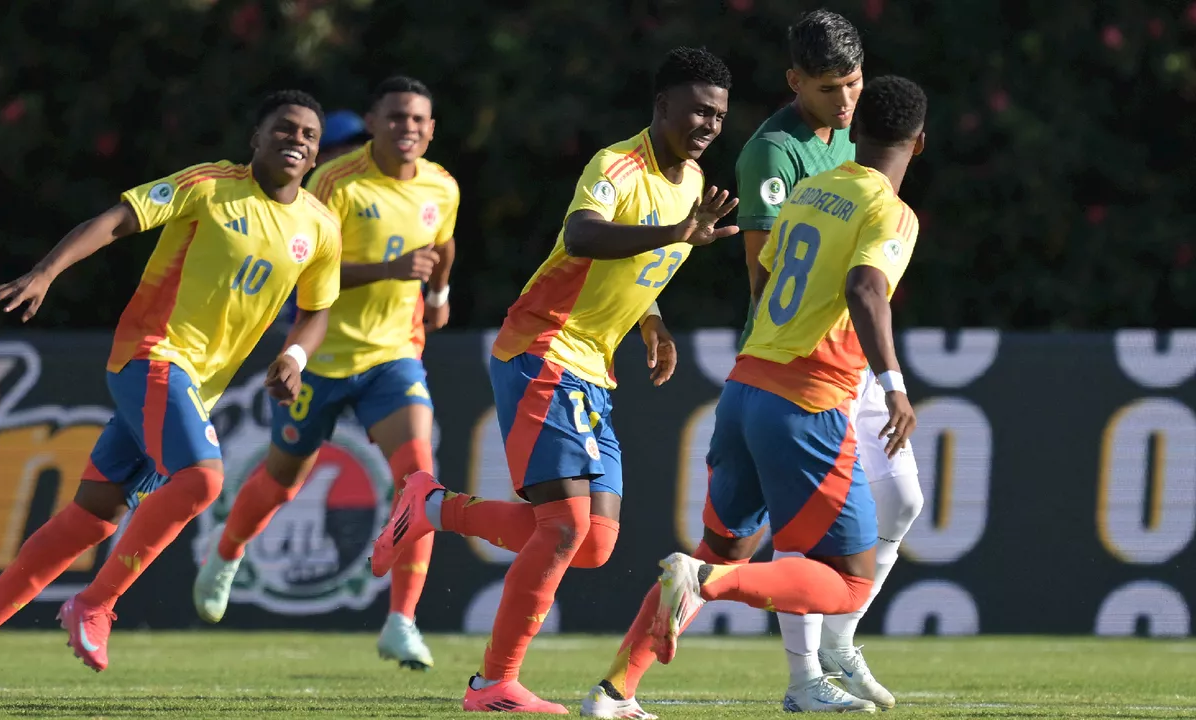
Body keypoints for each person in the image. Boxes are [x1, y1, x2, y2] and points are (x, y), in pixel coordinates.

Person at [0, 90, 343, 694]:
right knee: (202, 479)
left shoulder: (321, 226)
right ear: (255, 138)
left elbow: (317, 309)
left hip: (196, 388)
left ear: (314, 157)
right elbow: (118, 219)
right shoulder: (209, 185)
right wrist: (45, 272)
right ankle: (95, 604)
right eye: (283, 129)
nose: (295, 141)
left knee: (93, 519)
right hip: (149, 354)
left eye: (307, 136)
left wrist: (294, 355)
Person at [370, 47, 738, 713]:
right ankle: (491, 686)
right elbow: (584, 234)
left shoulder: (693, 182)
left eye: (719, 114)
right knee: (565, 529)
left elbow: (637, 271)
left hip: (591, 367)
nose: (709, 123)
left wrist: (650, 323)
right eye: (698, 110)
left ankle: (430, 507)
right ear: (662, 107)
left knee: (593, 543)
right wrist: (679, 231)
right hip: (543, 346)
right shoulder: (617, 165)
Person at [587, 75, 928, 718]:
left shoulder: (812, 191)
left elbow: (767, 274)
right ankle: (707, 587)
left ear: (855, 132)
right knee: (847, 580)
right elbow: (865, 289)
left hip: (744, 388)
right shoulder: (892, 211)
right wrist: (894, 386)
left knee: (722, 546)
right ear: (920, 143)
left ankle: (613, 693)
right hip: (806, 403)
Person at [193, 76, 458, 671]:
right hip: (321, 358)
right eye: (395, 118)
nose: (407, 128)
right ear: (374, 121)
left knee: (420, 481)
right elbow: (308, 267)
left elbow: (444, 243)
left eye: (419, 120)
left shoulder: (443, 185)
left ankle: (401, 621)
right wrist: (390, 267)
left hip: (394, 355)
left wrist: (439, 291)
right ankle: (229, 552)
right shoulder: (336, 182)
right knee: (283, 481)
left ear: (432, 128)